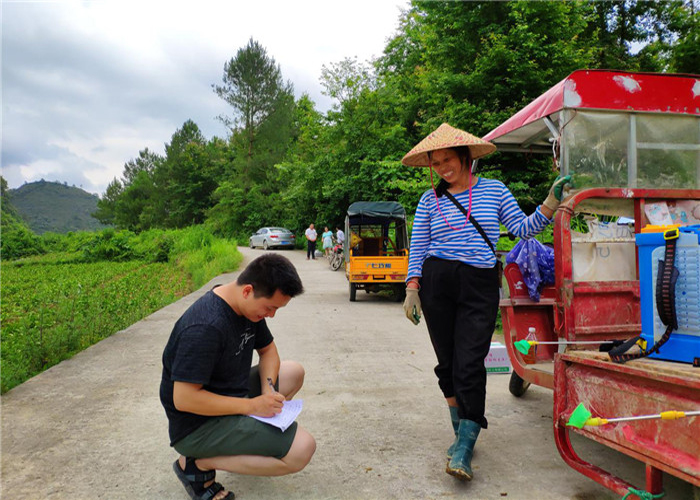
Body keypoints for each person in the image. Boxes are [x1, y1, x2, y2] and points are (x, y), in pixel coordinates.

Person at [400, 123, 570, 482]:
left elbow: (523, 229)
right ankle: (462, 438)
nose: (443, 167)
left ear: (465, 156)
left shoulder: (494, 191)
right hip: (437, 282)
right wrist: (412, 286)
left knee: (470, 362)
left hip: (479, 283)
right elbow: (418, 244)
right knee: (447, 362)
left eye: (448, 159)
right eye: (436, 162)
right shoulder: (429, 199)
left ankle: (463, 447)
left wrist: (551, 202)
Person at [160, 254, 316, 500]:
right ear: (247, 291)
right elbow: (184, 399)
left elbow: (268, 351)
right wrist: (252, 406)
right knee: (302, 449)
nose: (271, 315)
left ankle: (247, 440)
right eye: (270, 307)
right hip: (197, 425)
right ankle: (196, 462)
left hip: (232, 396)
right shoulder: (205, 326)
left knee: (292, 372)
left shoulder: (246, 308)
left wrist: (268, 390)